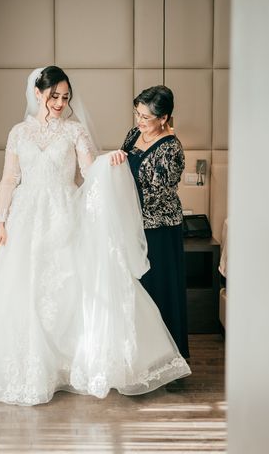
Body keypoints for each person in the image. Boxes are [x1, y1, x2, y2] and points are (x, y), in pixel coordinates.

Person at [0, 67, 190, 406]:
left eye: (66, 97)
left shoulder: (75, 131)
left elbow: (90, 173)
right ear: (38, 93)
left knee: (67, 288)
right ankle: (29, 367)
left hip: (65, 213)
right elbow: (8, 180)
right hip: (25, 217)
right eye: (54, 96)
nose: (60, 103)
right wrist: (0, 221)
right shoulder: (18, 133)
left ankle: (72, 365)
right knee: (22, 290)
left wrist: (112, 162)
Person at [110, 85, 189, 358]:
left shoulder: (171, 149)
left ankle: (165, 357)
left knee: (158, 291)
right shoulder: (135, 135)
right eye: (137, 114)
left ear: (164, 118)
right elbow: (121, 172)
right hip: (133, 223)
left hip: (159, 230)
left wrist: (123, 210)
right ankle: (139, 355)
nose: (139, 122)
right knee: (135, 293)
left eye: (146, 117)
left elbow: (156, 197)